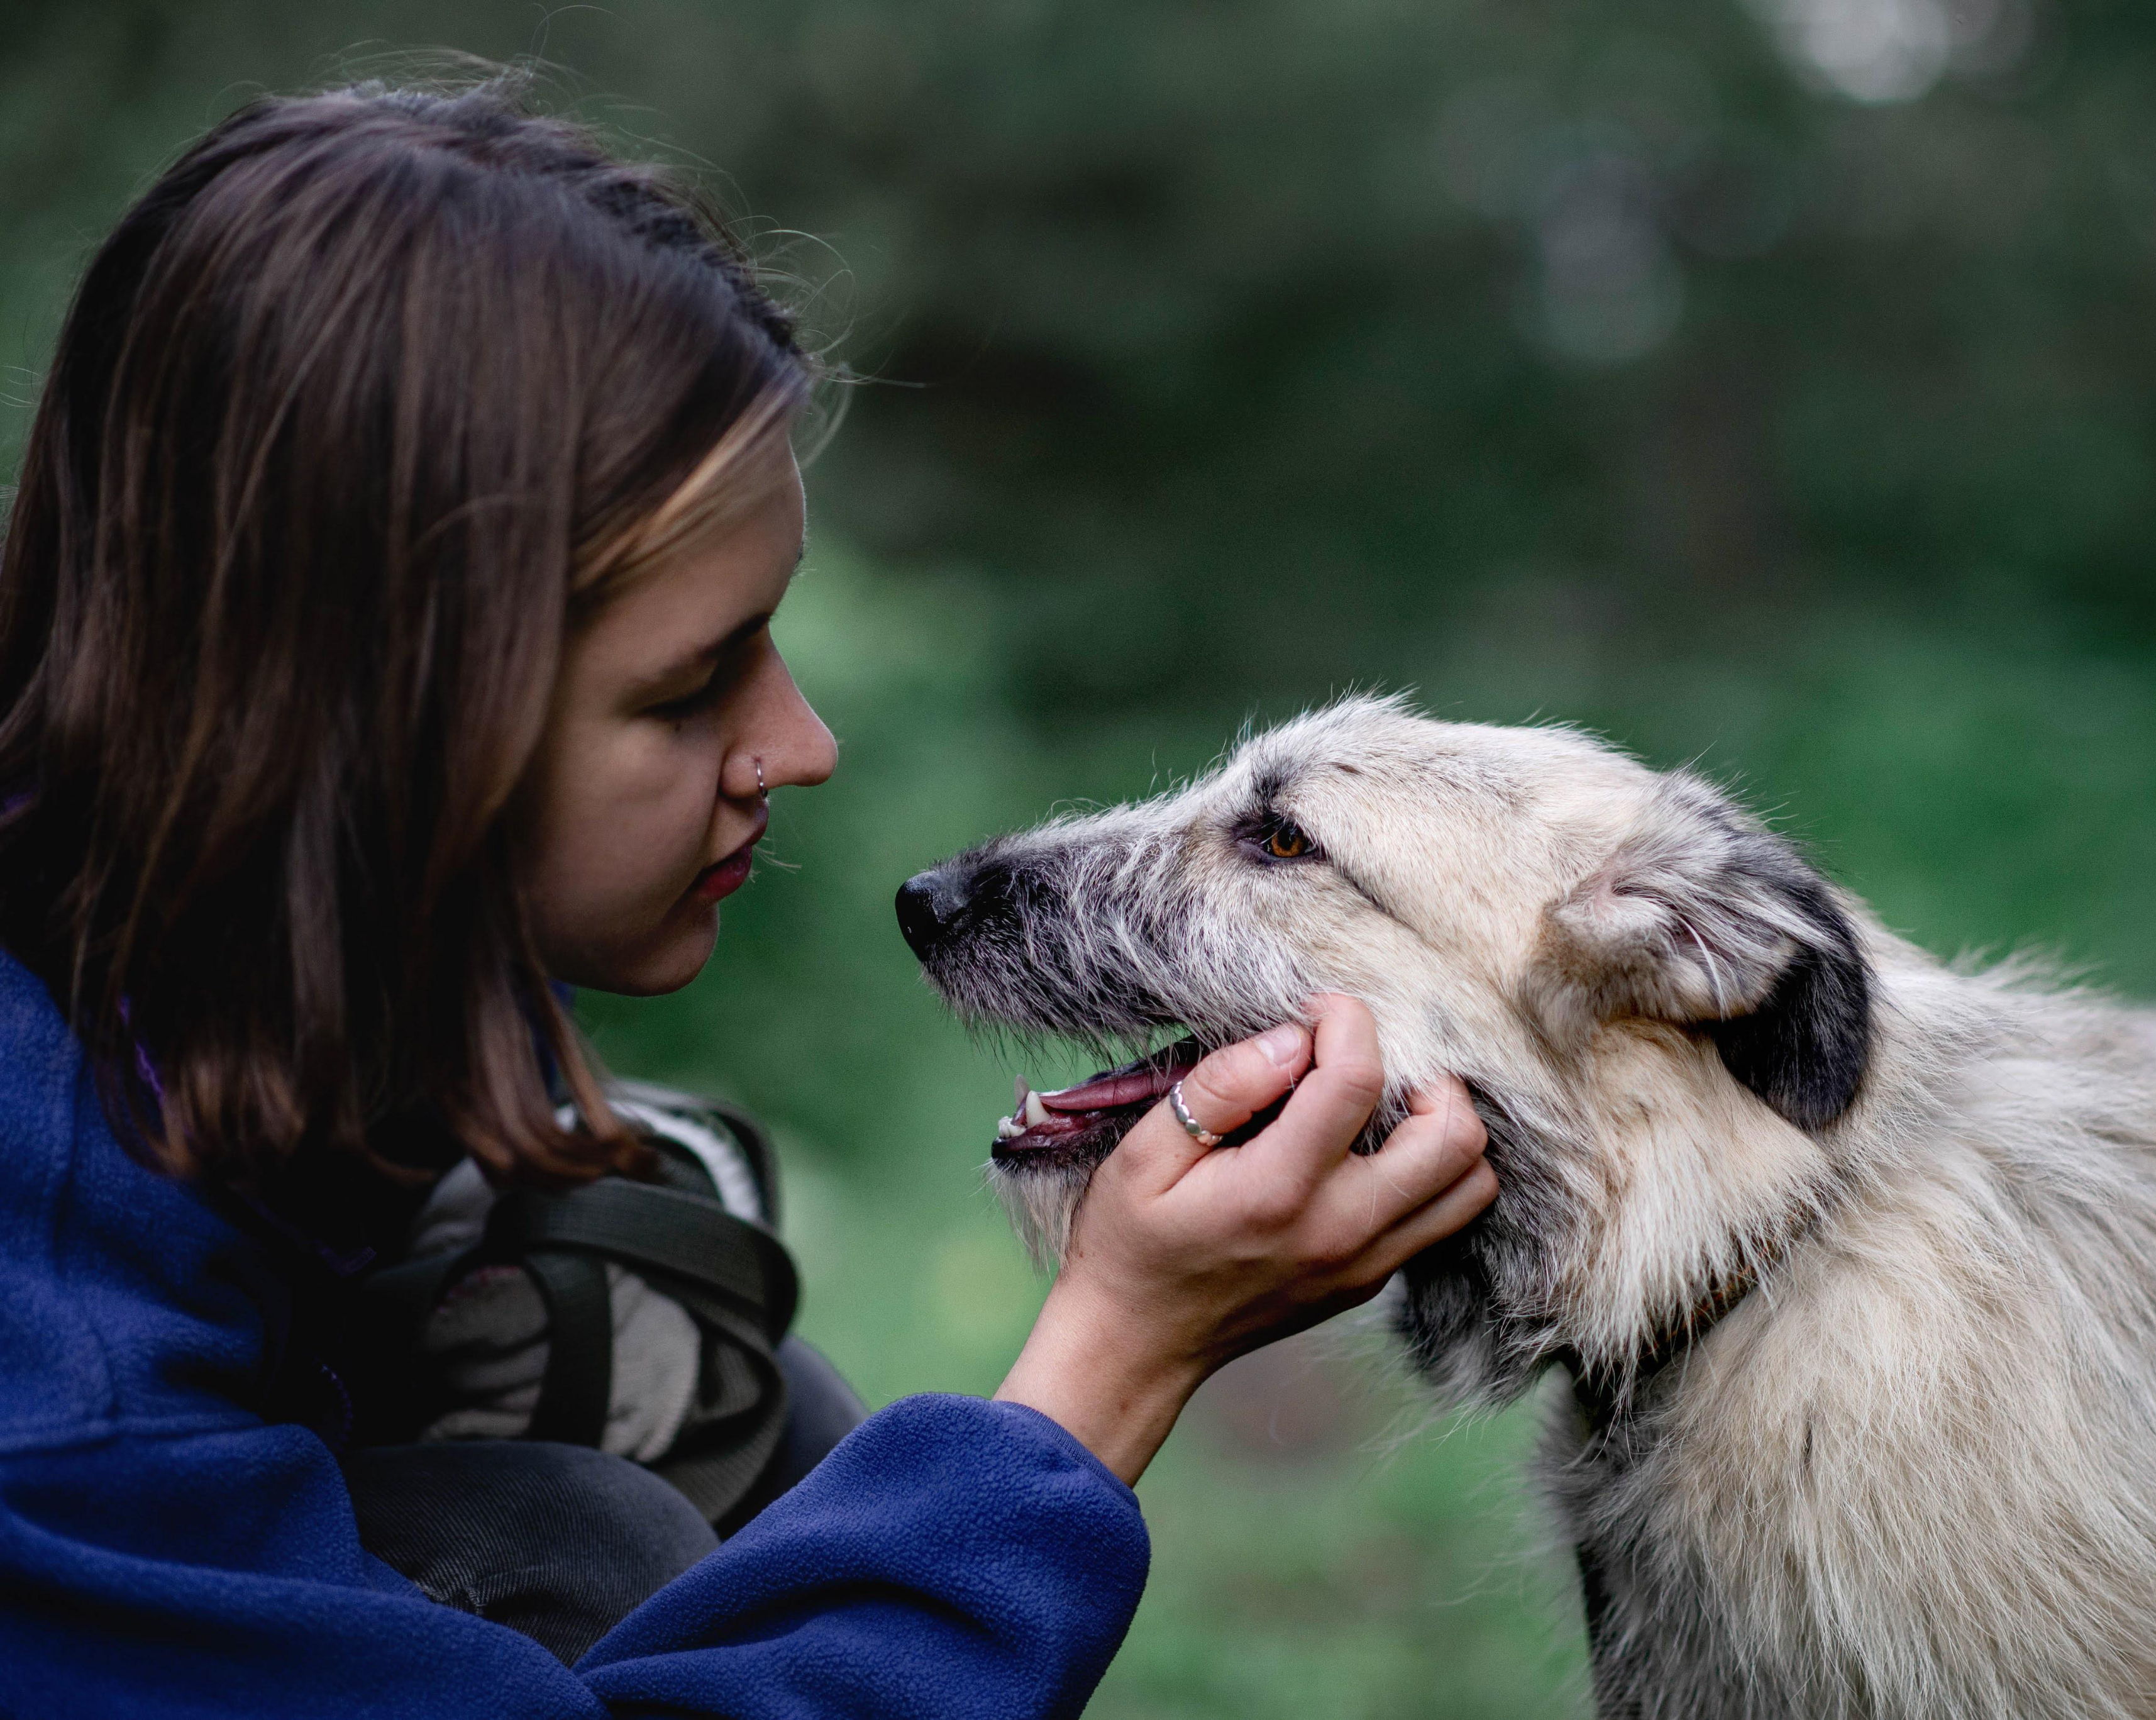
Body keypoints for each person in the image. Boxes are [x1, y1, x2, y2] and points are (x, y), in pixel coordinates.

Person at [0, 72, 1497, 1717]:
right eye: (690, 685)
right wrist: (1117, 1360)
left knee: (677, 1328)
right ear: (372, 723)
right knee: (578, 1533)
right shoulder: (63, 1391)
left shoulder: (187, 894)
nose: (804, 744)